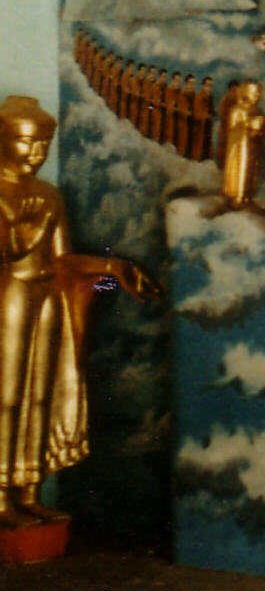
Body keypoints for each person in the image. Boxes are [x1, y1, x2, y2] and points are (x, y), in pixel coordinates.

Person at [0, 97, 158, 528]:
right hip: (8, 297)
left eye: (43, 146)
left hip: (47, 297)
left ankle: (28, 489)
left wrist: (114, 269)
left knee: (40, 394)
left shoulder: (49, 196)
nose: (35, 155)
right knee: (6, 395)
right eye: (24, 143)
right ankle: (0, 496)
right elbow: (10, 250)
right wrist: (28, 226)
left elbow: (62, 261)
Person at [220, 81, 265, 209]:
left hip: (252, 146)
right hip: (239, 148)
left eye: (258, 94)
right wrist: (248, 124)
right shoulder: (237, 110)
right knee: (241, 169)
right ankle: (237, 196)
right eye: (254, 93)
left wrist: (259, 130)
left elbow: (259, 131)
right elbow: (233, 129)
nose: (257, 96)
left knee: (251, 170)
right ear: (246, 93)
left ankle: (248, 195)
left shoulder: (256, 110)